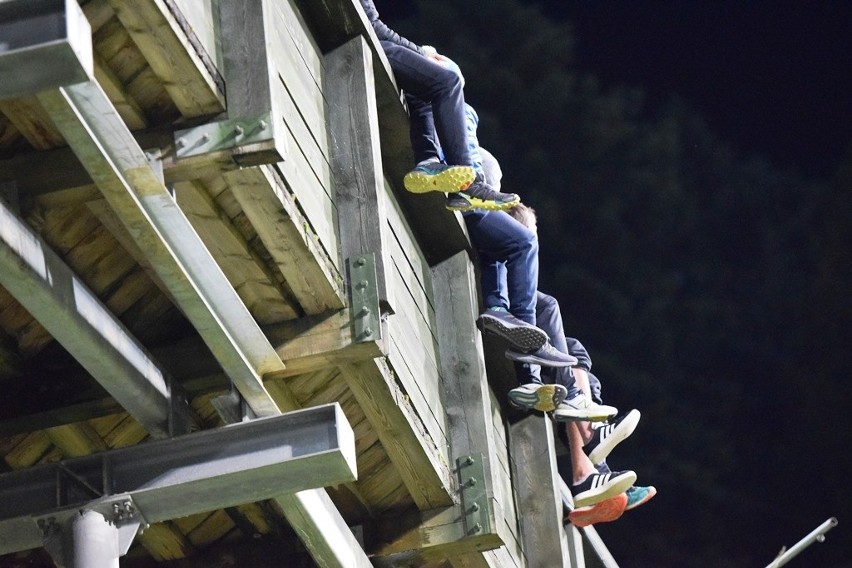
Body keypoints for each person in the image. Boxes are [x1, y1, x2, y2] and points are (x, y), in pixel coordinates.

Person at [359, 0, 519, 211]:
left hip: (360, 34)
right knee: (448, 81)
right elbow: (373, 26)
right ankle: (470, 186)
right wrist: (423, 54)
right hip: (362, 36)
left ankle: (428, 160)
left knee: (424, 86)